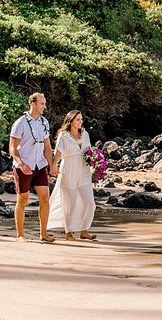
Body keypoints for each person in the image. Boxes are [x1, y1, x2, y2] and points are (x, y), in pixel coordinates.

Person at [9, 92, 58, 243]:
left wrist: (51, 165)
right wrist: (21, 163)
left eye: (44, 103)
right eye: (42, 103)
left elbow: (47, 146)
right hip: (23, 166)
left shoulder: (44, 122)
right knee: (23, 199)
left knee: (45, 198)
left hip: (40, 165)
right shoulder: (20, 123)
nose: (45, 106)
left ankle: (43, 233)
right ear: (33, 103)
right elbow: (12, 147)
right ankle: (20, 235)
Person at [47, 110, 97, 241]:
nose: (80, 122)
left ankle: (84, 230)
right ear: (71, 121)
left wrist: (97, 161)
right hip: (69, 169)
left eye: (81, 119)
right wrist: (53, 166)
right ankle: (68, 233)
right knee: (71, 203)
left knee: (90, 203)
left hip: (84, 170)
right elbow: (58, 154)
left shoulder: (85, 134)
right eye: (78, 120)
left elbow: (90, 151)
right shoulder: (64, 136)